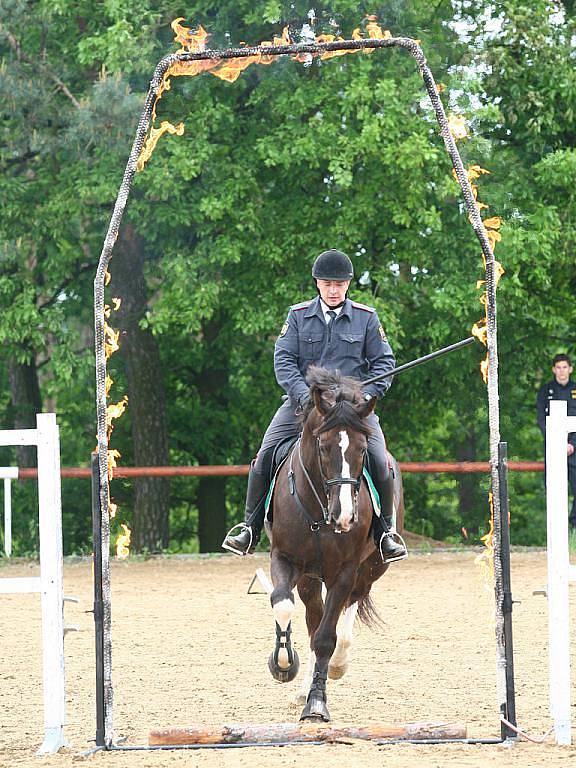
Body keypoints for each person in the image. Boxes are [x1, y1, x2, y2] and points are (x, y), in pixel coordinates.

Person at [222, 248, 407, 562]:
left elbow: (383, 363)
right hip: (304, 405)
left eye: (339, 284)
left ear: (348, 284)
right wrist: (303, 395)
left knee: (380, 460)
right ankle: (249, 527)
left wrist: (364, 396)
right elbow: (283, 361)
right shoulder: (298, 315)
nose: (333, 290)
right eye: (327, 284)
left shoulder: (366, 318)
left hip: (352, 410)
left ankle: (386, 532)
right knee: (264, 457)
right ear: (317, 283)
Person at [536, 353, 576, 527]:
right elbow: (541, 420)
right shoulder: (546, 391)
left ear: (570, 369)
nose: (562, 371)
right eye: (558, 368)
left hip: (574, 449)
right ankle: (557, 528)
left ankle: (573, 525)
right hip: (553, 447)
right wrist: (557, 443)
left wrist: (571, 444)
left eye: (564, 367)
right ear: (553, 370)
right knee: (553, 490)